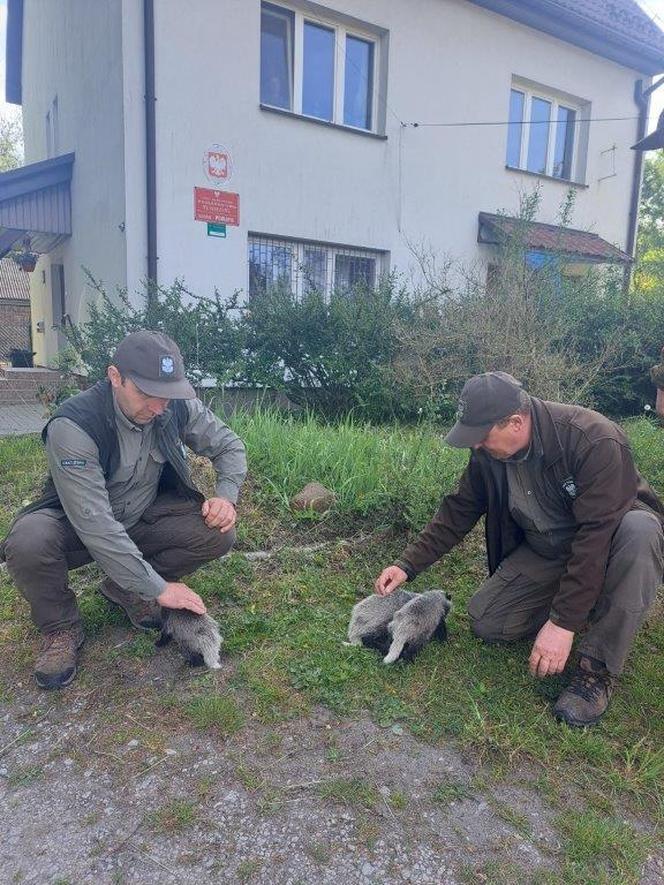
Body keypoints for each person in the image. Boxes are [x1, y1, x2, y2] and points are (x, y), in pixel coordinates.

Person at [375, 372, 664, 727]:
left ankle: (596, 670)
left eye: (481, 436)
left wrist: (562, 623)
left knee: (641, 530)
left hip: (608, 543)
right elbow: (460, 508)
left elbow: (595, 538)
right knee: (487, 622)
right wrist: (407, 564)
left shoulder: (593, 438)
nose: (476, 446)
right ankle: (587, 604)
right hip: (549, 550)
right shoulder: (488, 453)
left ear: (515, 422)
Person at [1, 330, 247, 690]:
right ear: (115, 377)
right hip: (79, 528)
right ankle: (60, 628)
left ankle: (123, 588)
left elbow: (229, 445)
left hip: (140, 517)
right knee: (28, 540)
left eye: (167, 395)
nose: (159, 407)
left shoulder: (170, 404)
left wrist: (226, 496)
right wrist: (160, 588)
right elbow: (95, 524)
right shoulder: (73, 425)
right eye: (147, 394)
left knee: (218, 533)